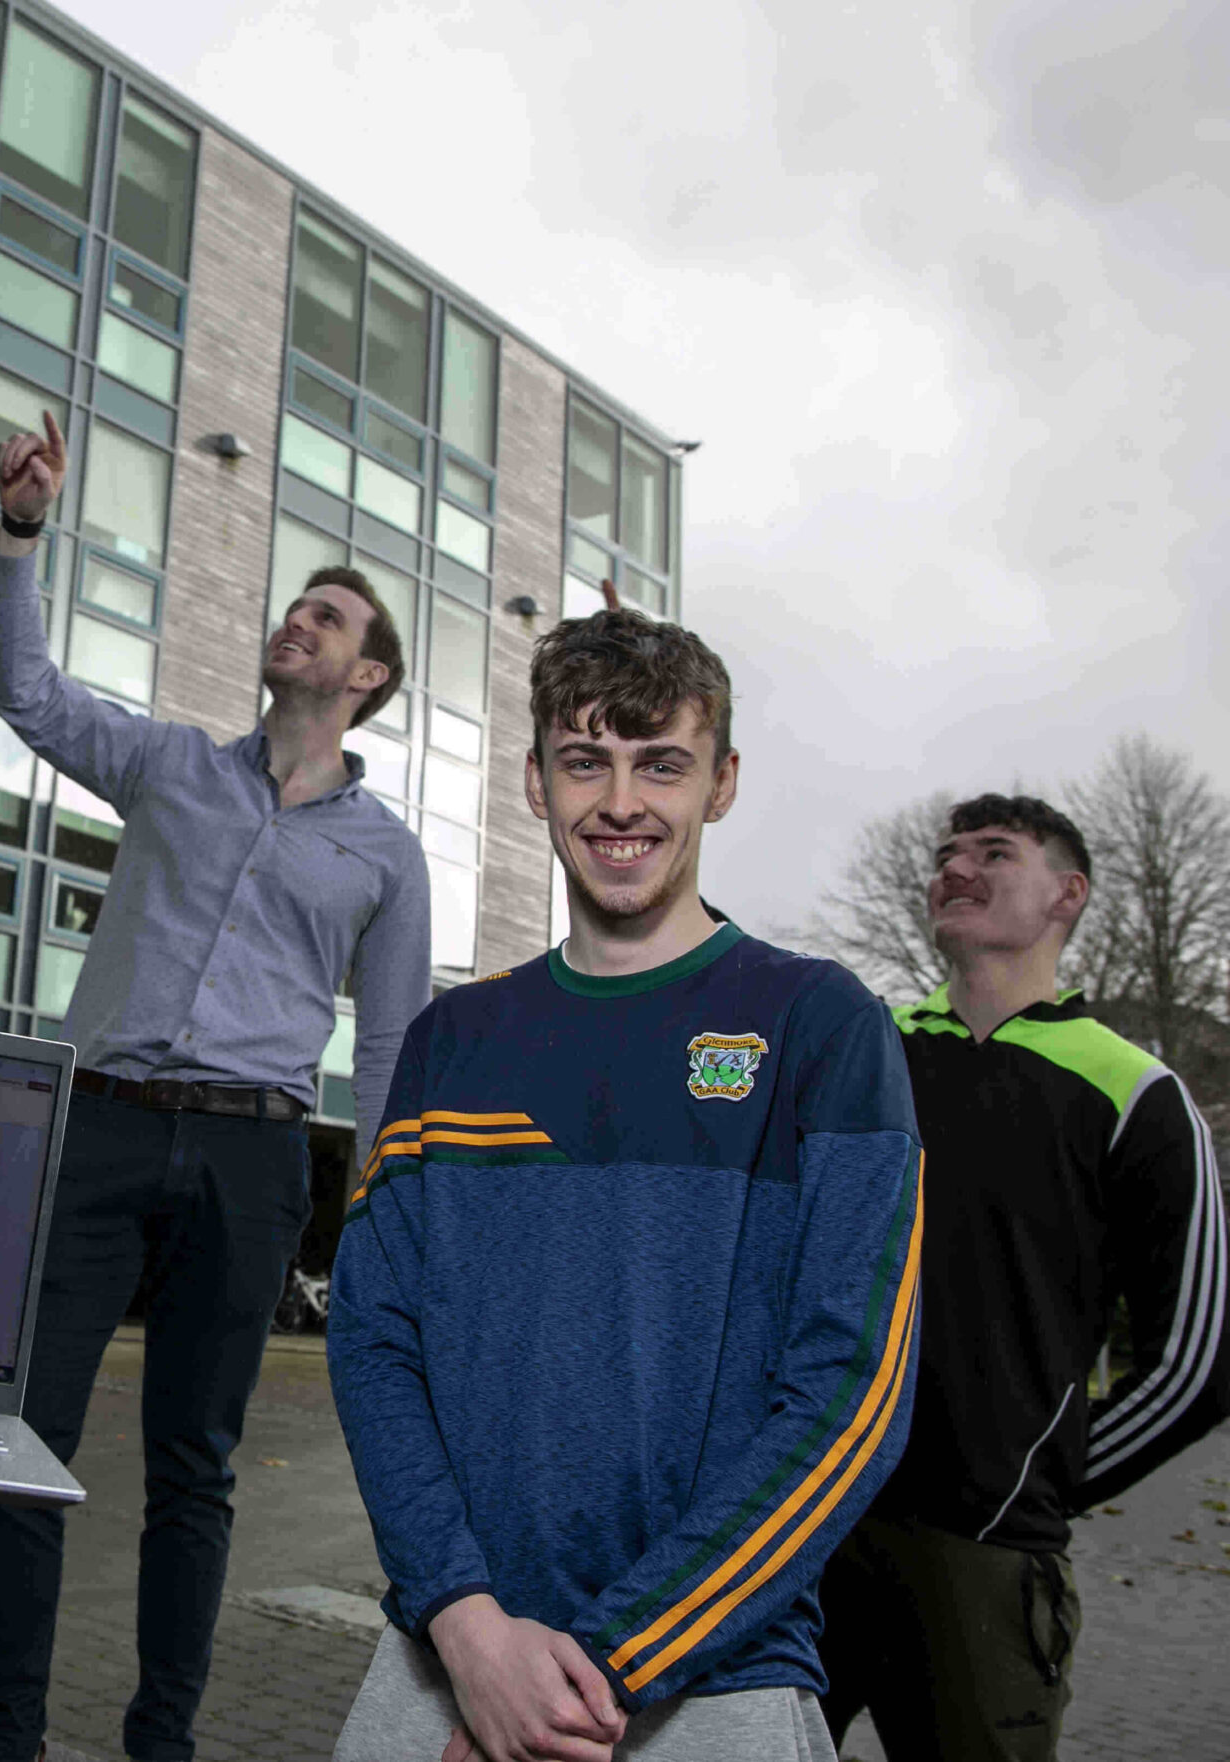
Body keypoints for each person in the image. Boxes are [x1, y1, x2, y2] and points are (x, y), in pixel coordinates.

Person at [328, 608, 924, 1762]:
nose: (619, 802)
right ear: (533, 781)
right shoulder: (452, 1039)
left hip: (712, 1678)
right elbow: (370, 1340)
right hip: (445, 1656)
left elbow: (851, 1398)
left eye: (662, 763)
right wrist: (464, 1622)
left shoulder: (819, 1026)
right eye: (583, 760)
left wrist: (598, 1671)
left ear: (722, 783)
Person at [0, 416, 432, 1762]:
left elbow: (393, 1041)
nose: (299, 618)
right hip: (101, 1128)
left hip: (253, 1160)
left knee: (195, 1472)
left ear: (370, 672)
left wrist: (385, 1213)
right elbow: (26, 687)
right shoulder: (170, 764)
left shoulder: (389, 859)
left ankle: (158, 1739)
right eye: (296, 603)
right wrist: (22, 531)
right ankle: (5, 1737)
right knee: (22, 1445)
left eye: (328, 613)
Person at [818, 794, 1229, 1762]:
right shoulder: (863, 1055)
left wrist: (1032, 1483)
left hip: (983, 1557)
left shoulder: (1134, 1091)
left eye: (993, 853)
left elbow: (1199, 1358)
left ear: (1067, 894)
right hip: (806, 1530)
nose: (954, 867)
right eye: (945, 853)